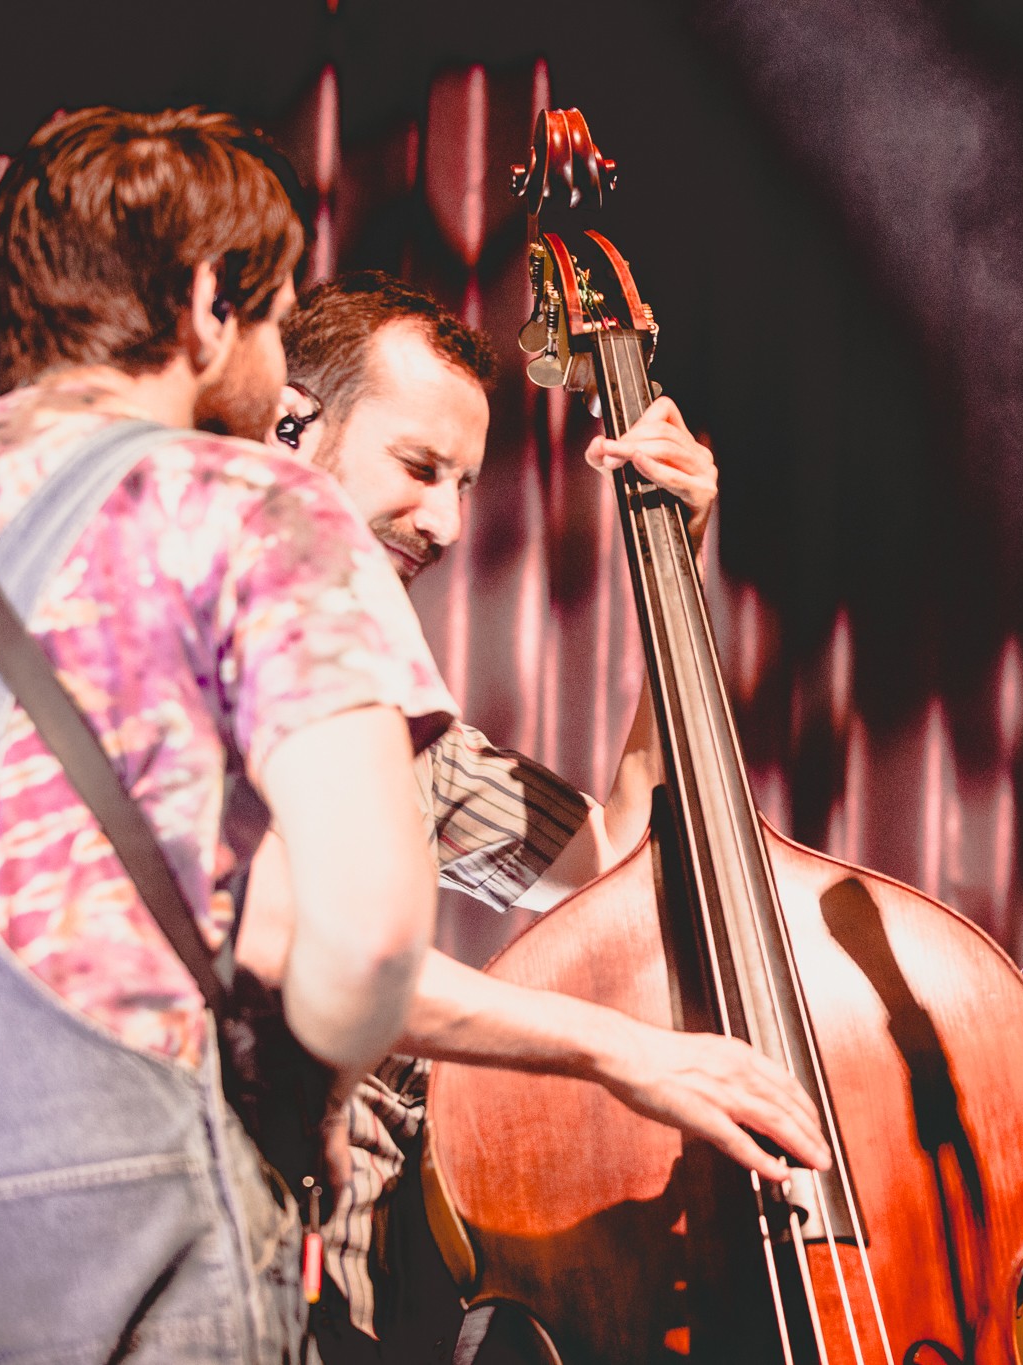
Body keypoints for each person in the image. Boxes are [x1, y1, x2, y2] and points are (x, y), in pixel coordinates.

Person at [0, 109, 451, 1362]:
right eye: (272, 320)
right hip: (131, 1211)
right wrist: (312, 1098)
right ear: (208, 304)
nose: (275, 366)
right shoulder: (255, 503)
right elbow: (365, 933)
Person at [236, 271, 828, 1361]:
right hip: (226, 1265)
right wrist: (624, 1055)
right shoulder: (195, 651)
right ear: (289, 426)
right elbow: (302, 952)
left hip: (358, 1297)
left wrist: (675, 562)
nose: (447, 522)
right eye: (417, 470)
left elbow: (612, 867)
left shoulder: (405, 737)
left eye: (463, 483)